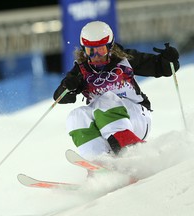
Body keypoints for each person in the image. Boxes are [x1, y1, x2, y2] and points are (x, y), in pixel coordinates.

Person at [54, 21, 179, 160]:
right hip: (105, 124)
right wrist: (68, 87)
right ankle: (101, 161)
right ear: (84, 50)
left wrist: (168, 60)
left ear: (110, 47)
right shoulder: (81, 70)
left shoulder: (125, 59)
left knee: (106, 100)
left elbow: (160, 67)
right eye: (90, 51)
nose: (96, 56)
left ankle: (131, 152)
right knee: (76, 116)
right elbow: (60, 97)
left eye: (101, 50)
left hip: (137, 116)